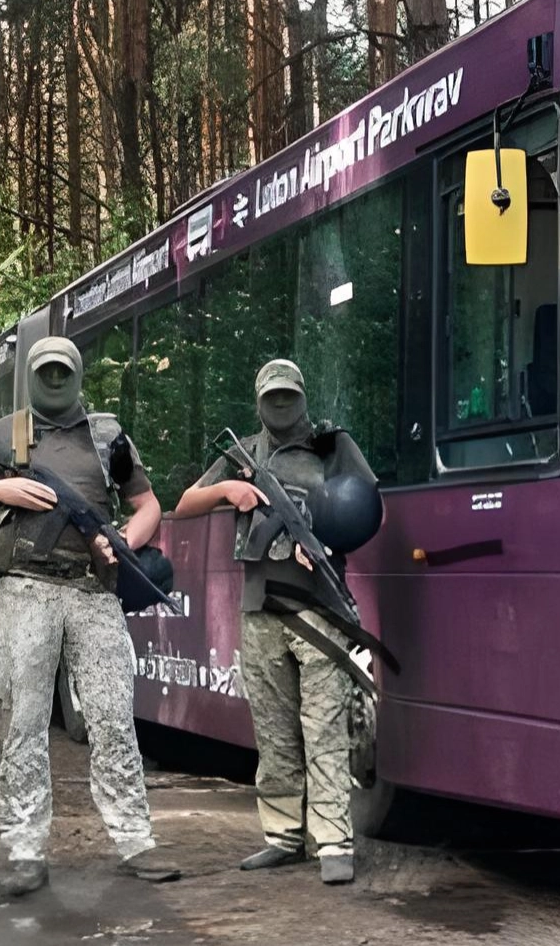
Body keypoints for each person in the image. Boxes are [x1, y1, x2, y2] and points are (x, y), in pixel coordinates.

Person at [0, 337, 178, 895]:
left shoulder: (107, 436)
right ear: (30, 375)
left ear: (77, 374)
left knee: (115, 718)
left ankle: (135, 840)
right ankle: (24, 849)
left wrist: (126, 543)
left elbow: (147, 506)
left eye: (62, 371)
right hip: (25, 592)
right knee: (24, 724)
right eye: (44, 371)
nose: (53, 380)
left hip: (94, 591)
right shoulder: (3, 435)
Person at [175, 359, 379, 886]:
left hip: (318, 606)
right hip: (260, 606)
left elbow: (366, 510)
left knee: (325, 726)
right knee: (273, 729)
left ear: (303, 395)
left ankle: (333, 839)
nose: (282, 405)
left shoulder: (334, 447)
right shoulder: (243, 451)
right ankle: (283, 836)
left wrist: (327, 537)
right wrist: (230, 492)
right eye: (273, 397)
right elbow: (186, 502)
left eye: (290, 395)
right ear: (259, 399)